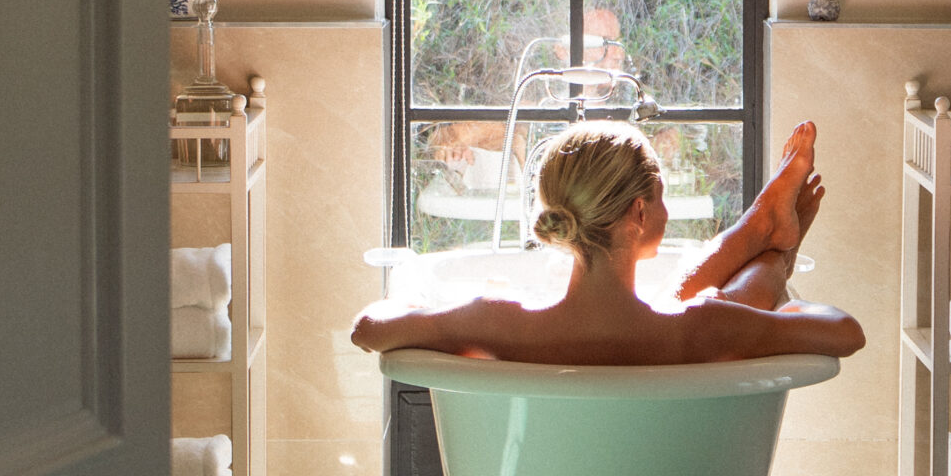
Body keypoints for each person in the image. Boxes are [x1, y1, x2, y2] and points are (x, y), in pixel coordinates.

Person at [350, 120, 865, 367]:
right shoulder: (705, 328)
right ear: (639, 213)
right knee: (714, 301)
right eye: (660, 197)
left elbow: (368, 329)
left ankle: (764, 226)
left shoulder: (495, 320)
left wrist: (419, 305)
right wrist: (772, 310)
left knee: (684, 305)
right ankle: (772, 239)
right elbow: (845, 332)